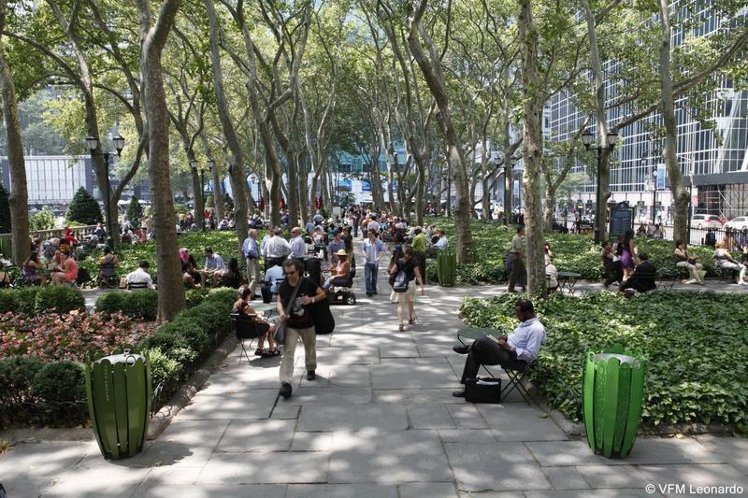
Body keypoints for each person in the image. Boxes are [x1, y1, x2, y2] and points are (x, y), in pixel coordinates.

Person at [451, 299, 546, 397]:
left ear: (527, 313)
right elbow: (518, 338)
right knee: (474, 354)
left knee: (484, 339)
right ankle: (468, 388)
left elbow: (531, 355)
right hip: (505, 353)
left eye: (518, 313)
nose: (517, 316)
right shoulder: (526, 322)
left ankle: (467, 348)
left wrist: (509, 348)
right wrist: (506, 337)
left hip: (516, 360)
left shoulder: (536, 329)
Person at [276, 259, 326, 399]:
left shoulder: (308, 283)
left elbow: (322, 294)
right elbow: (279, 301)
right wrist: (281, 313)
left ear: (298, 270)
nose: (289, 275)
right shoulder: (284, 285)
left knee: (310, 348)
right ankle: (285, 383)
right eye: (287, 273)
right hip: (291, 325)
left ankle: (310, 368)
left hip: (308, 323)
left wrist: (311, 300)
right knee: (288, 352)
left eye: (292, 272)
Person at [233, 286, 279, 357]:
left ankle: (260, 348)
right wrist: (261, 317)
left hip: (240, 332)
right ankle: (271, 349)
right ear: (248, 295)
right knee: (270, 327)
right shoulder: (247, 307)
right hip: (250, 332)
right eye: (250, 295)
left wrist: (258, 315)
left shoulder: (236, 305)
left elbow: (249, 315)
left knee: (264, 328)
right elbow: (260, 321)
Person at [389, 245, 425, 332]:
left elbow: (391, 271)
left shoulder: (399, 261)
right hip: (411, 285)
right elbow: (418, 275)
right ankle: (410, 318)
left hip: (401, 285)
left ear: (404, 253)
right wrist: (422, 287)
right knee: (410, 302)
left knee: (400, 305)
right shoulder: (414, 262)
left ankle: (401, 324)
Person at [362, 228, 385, 297]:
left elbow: (383, 250)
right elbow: (363, 249)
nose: (368, 235)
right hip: (367, 262)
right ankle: (369, 291)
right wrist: (365, 255)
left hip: (375, 263)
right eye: (368, 234)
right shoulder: (366, 241)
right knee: (367, 277)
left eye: (369, 234)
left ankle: (374, 289)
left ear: (373, 234)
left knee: (374, 278)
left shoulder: (379, 242)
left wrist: (379, 258)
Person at [241, 229, 261, 295]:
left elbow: (242, 249)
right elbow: (250, 250)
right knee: (255, 277)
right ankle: (248, 293)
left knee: (250, 277)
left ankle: (252, 293)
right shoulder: (251, 241)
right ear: (253, 234)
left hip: (248, 259)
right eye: (256, 233)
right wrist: (257, 255)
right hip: (252, 259)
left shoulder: (246, 240)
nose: (257, 234)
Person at [507, 226, 526, 293]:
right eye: (523, 230)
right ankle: (511, 288)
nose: (524, 231)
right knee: (514, 273)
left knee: (523, 271)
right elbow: (519, 249)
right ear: (520, 231)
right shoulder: (517, 238)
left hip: (518, 256)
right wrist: (524, 256)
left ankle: (524, 286)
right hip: (515, 256)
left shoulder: (518, 237)